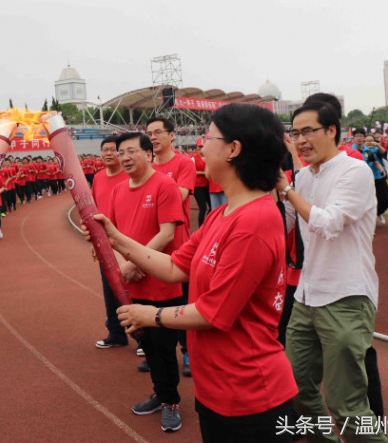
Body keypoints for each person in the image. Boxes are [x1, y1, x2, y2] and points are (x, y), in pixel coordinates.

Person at [87, 103, 297, 442]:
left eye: (208, 136)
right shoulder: (221, 215)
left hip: (251, 394)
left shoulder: (254, 221)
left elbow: (214, 313)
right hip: (216, 388)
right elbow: (172, 267)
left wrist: (151, 315)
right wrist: (115, 237)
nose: (200, 145)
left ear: (233, 149)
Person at [277, 94, 388, 442]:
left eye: (307, 131)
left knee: (346, 405)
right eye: (294, 134)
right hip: (307, 296)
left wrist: (287, 190)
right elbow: (289, 223)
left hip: (346, 296)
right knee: (296, 390)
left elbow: (327, 222)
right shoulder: (304, 177)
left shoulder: (353, 170)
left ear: (332, 130)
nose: (300, 140)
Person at [106, 132, 185, 432]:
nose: (124, 157)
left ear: (148, 154)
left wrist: (136, 263)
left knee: (164, 346)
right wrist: (124, 267)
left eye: (131, 151)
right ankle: (160, 392)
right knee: (146, 344)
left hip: (161, 283)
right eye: (120, 152)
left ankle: (171, 401)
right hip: (131, 283)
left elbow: (167, 233)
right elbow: (112, 234)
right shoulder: (117, 191)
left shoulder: (164, 185)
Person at [146, 116, 196, 377]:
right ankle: (157, 352)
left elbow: (179, 196)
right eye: (149, 134)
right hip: (150, 245)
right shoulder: (146, 166)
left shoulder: (183, 164)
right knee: (153, 302)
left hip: (177, 245)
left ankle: (188, 353)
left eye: (158, 132)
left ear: (172, 135)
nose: (153, 138)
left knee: (181, 304)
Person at [91, 135, 129, 350]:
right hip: (105, 244)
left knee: (134, 289)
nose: (108, 153)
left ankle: (144, 338)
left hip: (128, 242)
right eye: (104, 149)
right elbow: (94, 210)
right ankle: (116, 333)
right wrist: (93, 241)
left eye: (113, 149)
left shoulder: (129, 176)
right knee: (110, 290)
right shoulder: (98, 178)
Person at [364, 134, 388, 225]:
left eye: (371, 140)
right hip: (367, 178)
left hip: (379, 176)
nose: (369, 142)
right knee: (370, 199)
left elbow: (383, 152)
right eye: (367, 140)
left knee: (385, 198)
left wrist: (377, 145)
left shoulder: (376, 150)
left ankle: (379, 212)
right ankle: (370, 218)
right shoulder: (362, 151)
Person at [191, 139, 211, 228]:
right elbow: (191, 172)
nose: (201, 148)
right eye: (199, 146)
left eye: (202, 146)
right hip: (198, 187)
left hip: (207, 186)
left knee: (212, 207)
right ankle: (201, 229)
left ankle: (207, 224)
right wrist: (203, 173)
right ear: (197, 148)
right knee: (202, 208)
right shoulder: (193, 158)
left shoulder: (208, 157)